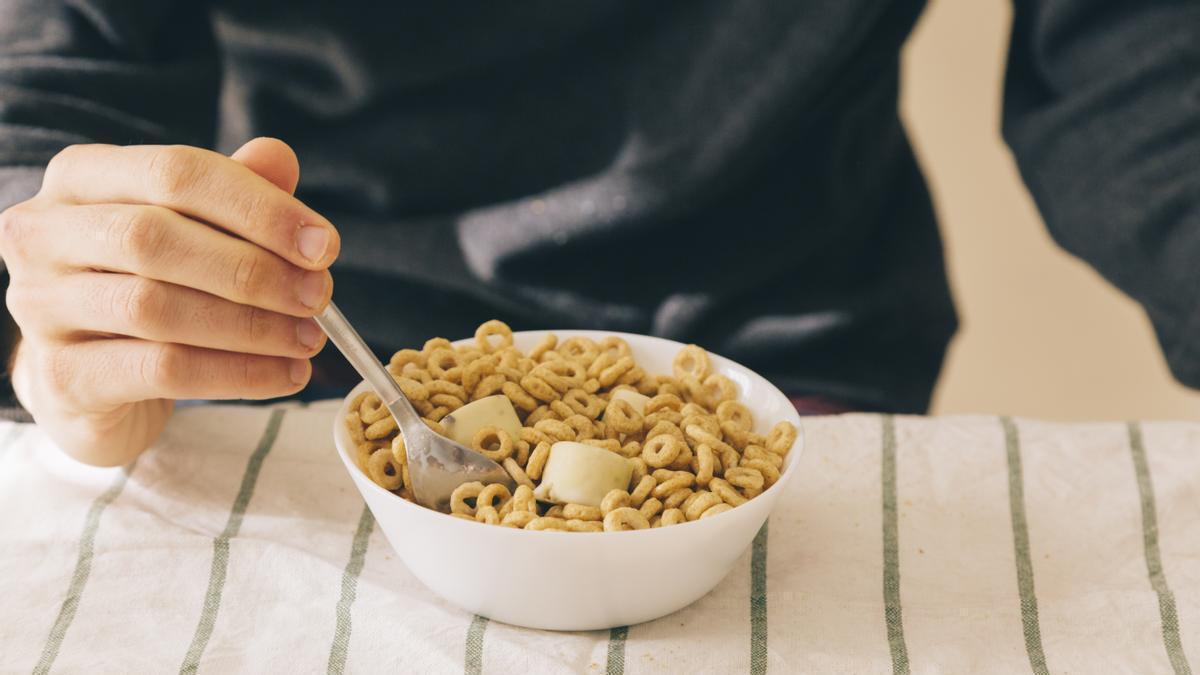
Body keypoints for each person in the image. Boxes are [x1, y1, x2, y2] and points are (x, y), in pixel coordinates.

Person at [0, 1, 1195, 467]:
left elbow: (1143, 64)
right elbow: (54, 76)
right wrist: (60, 315)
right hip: (298, 359)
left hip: (788, 355)